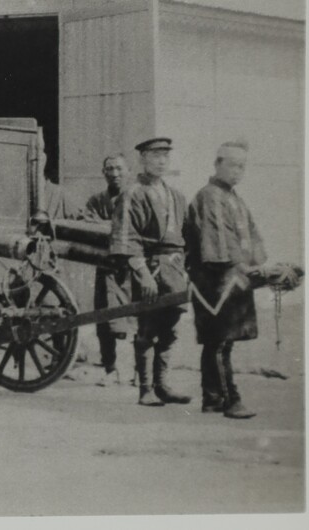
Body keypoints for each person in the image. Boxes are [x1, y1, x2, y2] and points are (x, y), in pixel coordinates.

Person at [184, 140, 266, 419]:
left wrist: (258, 266)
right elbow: (216, 247)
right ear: (217, 164)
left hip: (233, 277)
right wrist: (243, 268)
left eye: (242, 166)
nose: (238, 171)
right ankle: (231, 399)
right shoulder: (210, 196)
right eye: (232, 165)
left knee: (220, 342)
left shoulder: (234, 198)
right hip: (214, 280)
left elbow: (252, 239)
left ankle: (212, 398)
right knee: (219, 341)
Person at [109, 137, 191, 407]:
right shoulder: (133, 193)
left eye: (165, 156)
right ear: (142, 159)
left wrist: (187, 270)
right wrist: (142, 274)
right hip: (150, 269)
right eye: (155, 156)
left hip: (175, 270)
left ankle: (162, 385)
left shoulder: (176, 195)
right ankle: (145, 389)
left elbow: (187, 237)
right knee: (148, 328)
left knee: (171, 330)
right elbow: (126, 238)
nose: (161, 161)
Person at [81, 153, 133, 386]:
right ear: (104, 173)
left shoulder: (136, 197)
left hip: (133, 268)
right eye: (110, 169)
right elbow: (87, 227)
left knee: (137, 318)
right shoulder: (96, 201)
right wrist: (114, 228)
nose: (115, 174)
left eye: (119, 169)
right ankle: (110, 368)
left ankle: (139, 371)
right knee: (104, 318)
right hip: (105, 267)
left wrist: (109, 228)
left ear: (128, 171)